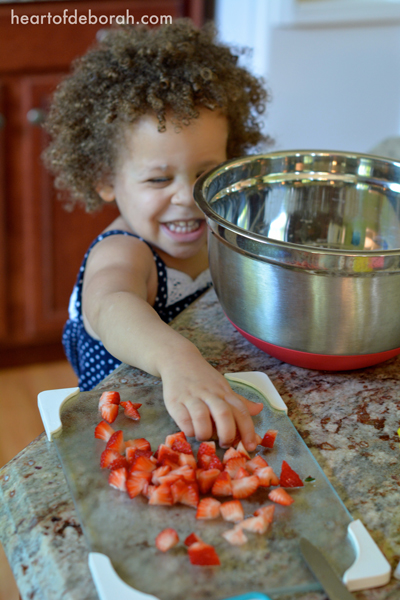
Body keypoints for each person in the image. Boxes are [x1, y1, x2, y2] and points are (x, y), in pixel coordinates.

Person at [44, 19, 270, 451]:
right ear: (105, 178)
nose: (187, 197)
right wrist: (177, 358)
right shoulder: (125, 252)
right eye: (158, 180)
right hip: (123, 435)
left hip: (194, 415)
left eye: (206, 173)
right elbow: (111, 307)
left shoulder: (220, 224)